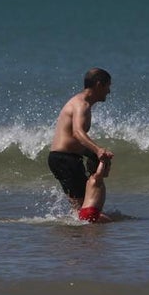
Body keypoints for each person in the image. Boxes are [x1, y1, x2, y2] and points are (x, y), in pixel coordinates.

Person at [47, 67, 113, 215]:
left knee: (83, 206)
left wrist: (92, 154)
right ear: (98, 85)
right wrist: (98, 150)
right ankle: (79, 235)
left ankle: (75, 234)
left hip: (66, 158)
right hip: (64, 159)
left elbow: (72, 137)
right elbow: (77, 133)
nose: (109, 91)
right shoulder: (81, 104)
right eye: (108, 86)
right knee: (81, 210)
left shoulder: (84, 104)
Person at [77, 155, 113, 223]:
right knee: (112, 224)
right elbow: (99, 173)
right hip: (91, 212)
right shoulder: (96, 179)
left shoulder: (90, 180)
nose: (109, 169)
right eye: (108, 166)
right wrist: (103, 160)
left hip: (84, 212)